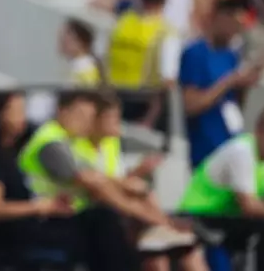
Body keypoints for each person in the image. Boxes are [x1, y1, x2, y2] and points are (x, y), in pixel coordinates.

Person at [18, 90, 194, 271]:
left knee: (130, 215)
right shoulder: (51, 142)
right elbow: (90, 180)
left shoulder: (70, 140)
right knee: (108, 219)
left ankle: (162, 229)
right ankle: (162, 226)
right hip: (48, 216)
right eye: (80, 116)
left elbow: (100, 177)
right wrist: (135, 206)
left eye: (87, 118)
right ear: (62, 112)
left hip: (71, 211)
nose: (84, 123)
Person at [76, 93, 207, 271]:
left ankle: (163, 228)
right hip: (99, 213)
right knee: (157, 249)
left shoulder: (110, 144)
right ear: (97, 120)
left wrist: (138, 172)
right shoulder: (79, 148)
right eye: (113, 118)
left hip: (127, 211)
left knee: (185, 252)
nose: (118, 123)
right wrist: (133, 179)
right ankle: (164, 225)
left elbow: (119, 179)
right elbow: (100, 186)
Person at [0, 91, 74, 270]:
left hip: (31, 228)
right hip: (8, 237)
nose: (22, 117)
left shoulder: (17, 150)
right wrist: (40, 207)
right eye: (16, 111)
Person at [179, 109, 264, 271]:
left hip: (228, 218)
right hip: (200, 216)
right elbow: (249, 205)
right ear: (260, 131)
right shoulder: (242, 151)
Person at [179, 0, 261, 167]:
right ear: (219, 17)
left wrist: (244, 83)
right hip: (205, 147)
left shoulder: (230, 56)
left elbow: (236, 103)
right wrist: (229, 81)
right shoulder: (195, 53)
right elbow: (190, 105)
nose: (235, 31)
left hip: (231, 139)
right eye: (233, 24)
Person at [107, 0, 181, 128]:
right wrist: (150, 120)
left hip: (111, 99)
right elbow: (167, 82)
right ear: (164, 1)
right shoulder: (166, 32)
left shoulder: (122, 22)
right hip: (141, 104)